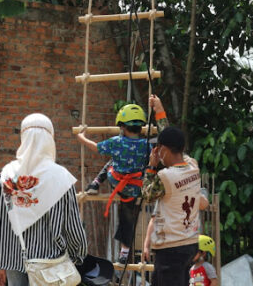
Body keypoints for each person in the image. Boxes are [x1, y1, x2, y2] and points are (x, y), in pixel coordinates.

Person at [0, 113, 87, 286]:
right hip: (51, 265)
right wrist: (78, 256)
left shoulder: (7, 175)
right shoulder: (61, 178)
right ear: (50, 139)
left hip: (13, 261)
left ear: (23, 138)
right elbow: (73, 226)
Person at [75, 103, 150, 264]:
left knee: (112, 162)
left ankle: (95, 184)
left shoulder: (116, 142)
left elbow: (96, 147)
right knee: (127, 216)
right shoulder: (147, 145)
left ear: (122, 126)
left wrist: (81, 137)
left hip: (117, 182)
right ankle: (124, 252)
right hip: (135, 187)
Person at [141, 125, 201, 286]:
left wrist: (151, 167)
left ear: (165, 150)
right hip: (189, 244)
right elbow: (172, 136)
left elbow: (147, 195)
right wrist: (160, 111)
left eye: (159, 148)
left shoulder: (165, 177)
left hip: (170, 249)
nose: (158, 153)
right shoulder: (193, 167)